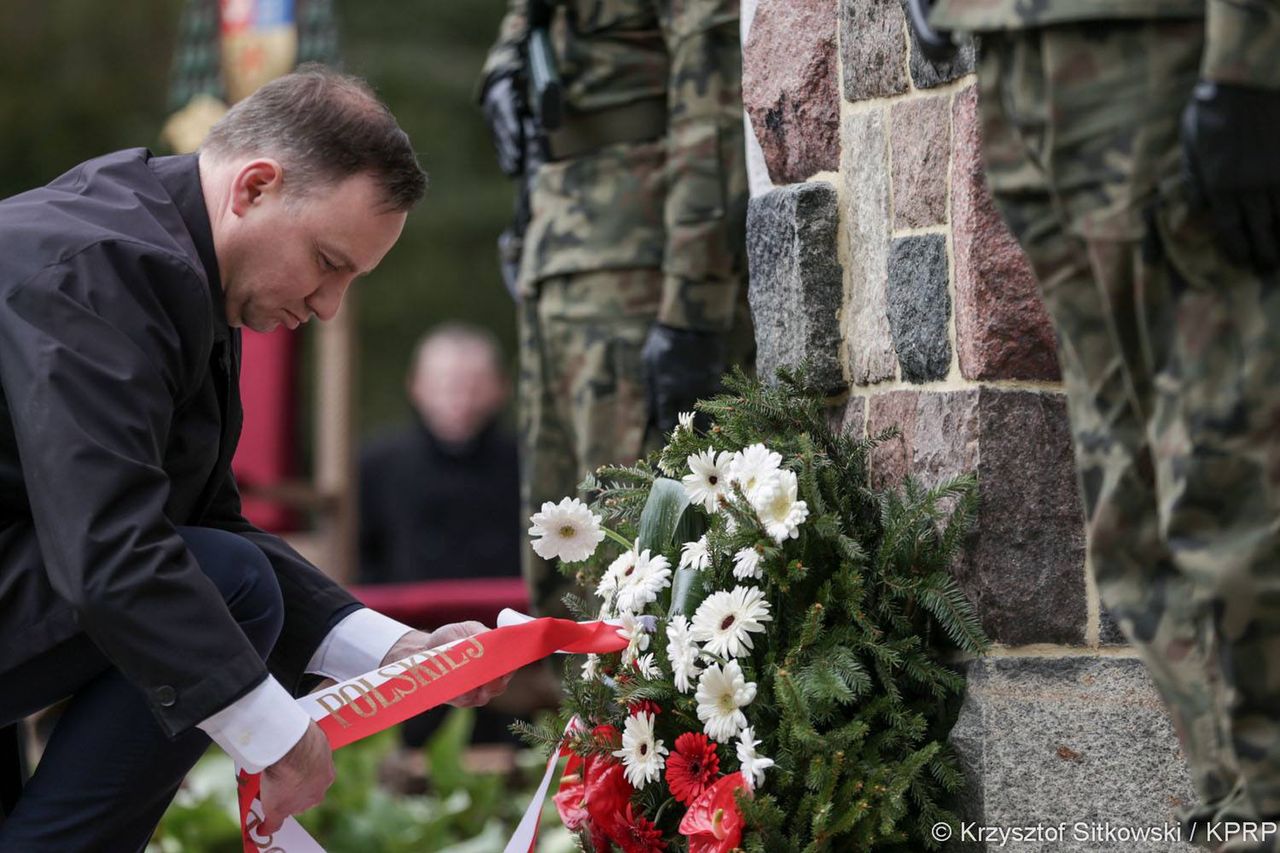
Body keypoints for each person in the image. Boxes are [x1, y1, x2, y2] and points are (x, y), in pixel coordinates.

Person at [0, 66, 509, 850]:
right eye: (328, 262)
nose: (327, 305)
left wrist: (400, 652)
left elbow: (200, 516)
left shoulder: (173, 260)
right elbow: (112, 551)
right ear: (256, 187)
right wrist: (272, 728)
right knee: (230, 583)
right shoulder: (99, 269)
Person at [912, 1, 1280, 849]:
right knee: (1128, 510)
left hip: (1155, 54)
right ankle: (1243, 808)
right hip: (1015, 61)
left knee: (1230, 493)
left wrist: (1249, 59)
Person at [478, 0, 753, 618]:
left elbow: (711, 116)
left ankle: (653, 717)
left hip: (642, 272)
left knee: (640, 564)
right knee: (562, 550)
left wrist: (691, 309)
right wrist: (502, 67)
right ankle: (579, 715)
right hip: (557, 256)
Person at [359, 323, 521, 586]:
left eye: (474, 385)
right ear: (416, 386)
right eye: (446, 385)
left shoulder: (527, 467)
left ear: (501, 387)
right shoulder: (375, 467)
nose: (461, 399)